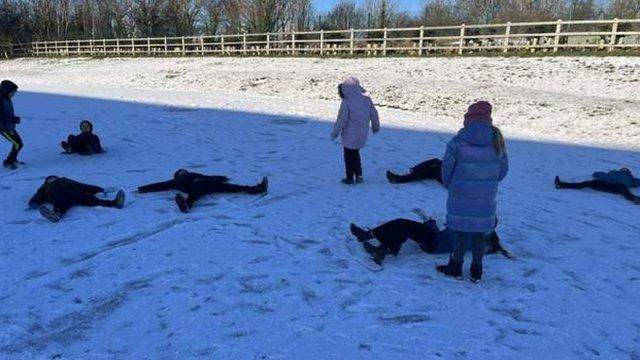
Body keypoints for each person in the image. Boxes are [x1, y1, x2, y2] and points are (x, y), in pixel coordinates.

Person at [436, 101, 509, 283]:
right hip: (485, 198)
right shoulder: (496, 140)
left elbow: (446, 168)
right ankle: (477, 269)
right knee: (479, 233)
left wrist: (451, 184)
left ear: (467, 118)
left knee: (461, 232)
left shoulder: (458, 141)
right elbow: (503, 169)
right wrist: (488, 183)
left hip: (460, 196)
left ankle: (456, 266)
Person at [350, 209, 511, 265]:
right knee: (404, 228)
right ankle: (383, 249)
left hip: (435, 243)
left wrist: (430, 222)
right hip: (436, 240)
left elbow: (446, 237)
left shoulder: (468, 232)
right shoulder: (479, 237)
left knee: (402, 225)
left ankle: (369, 236)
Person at [138, 169, 268, 213]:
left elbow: (207, 177)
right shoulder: (176, 181)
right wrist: (143, 189)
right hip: (196, 186)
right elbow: (159, 185)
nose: (183, 172)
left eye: (183, 171)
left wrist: (220, 178)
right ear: (178, 175)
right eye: (181, 172)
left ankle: (256, 189)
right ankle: (186, 205)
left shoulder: (193, 174)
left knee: (233, 187)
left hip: (207, 184)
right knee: (194, 194)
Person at [330, 77, 380, 185]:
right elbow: (374, 114)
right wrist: (375, 127)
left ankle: (349, 178)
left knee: (349, 156)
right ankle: (359, 175)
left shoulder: (346, 102)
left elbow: (341, 119)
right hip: (362, 133)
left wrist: (335, 133)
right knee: (356, 153)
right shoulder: (366, 99)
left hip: (349, 134)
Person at [29, 176, 125, 223]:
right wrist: (33, 202)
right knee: (62, 203)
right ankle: (56, 214)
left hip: (71, 193)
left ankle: (115, 203)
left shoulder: (63, 180)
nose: (52, 179)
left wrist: (98, 189)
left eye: (53, 178)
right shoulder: (46, 186)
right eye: (50, 179)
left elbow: (83, 186)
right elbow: (38, 194)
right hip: (60, 195)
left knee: (91, 199)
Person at [555, 168, 640, 205]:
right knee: (624, 190)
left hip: (604, 184)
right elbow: (637, 182)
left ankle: (562, 185)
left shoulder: (613, 173)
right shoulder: (630, 178)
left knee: (588, 183)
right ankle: (635, 199)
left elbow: (598, 174)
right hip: (615, 186)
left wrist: (596, 174)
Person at [0, 80, 23, 169]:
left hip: (9, 127)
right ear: (6, 90)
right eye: (12, 92)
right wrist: (13, 119)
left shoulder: (6, 98)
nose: (13, 94)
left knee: (19, 143)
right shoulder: (1, 100)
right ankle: (8, 162)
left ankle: (13, 159)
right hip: (4, 128)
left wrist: (12, 119)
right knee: (18, 144)